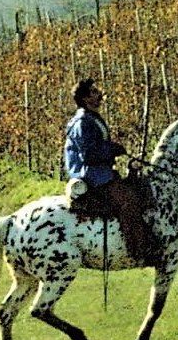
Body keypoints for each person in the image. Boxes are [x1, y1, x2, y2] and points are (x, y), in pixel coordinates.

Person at [64, 78, 159, 266]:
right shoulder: (83, 122)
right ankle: (139, 251)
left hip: (99, 170)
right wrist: (112, 149)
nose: (99, 94)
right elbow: (89, 154)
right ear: (85, 99)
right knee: (128, 201)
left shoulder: (91, 118)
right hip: (90, 174)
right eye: (93, 92)